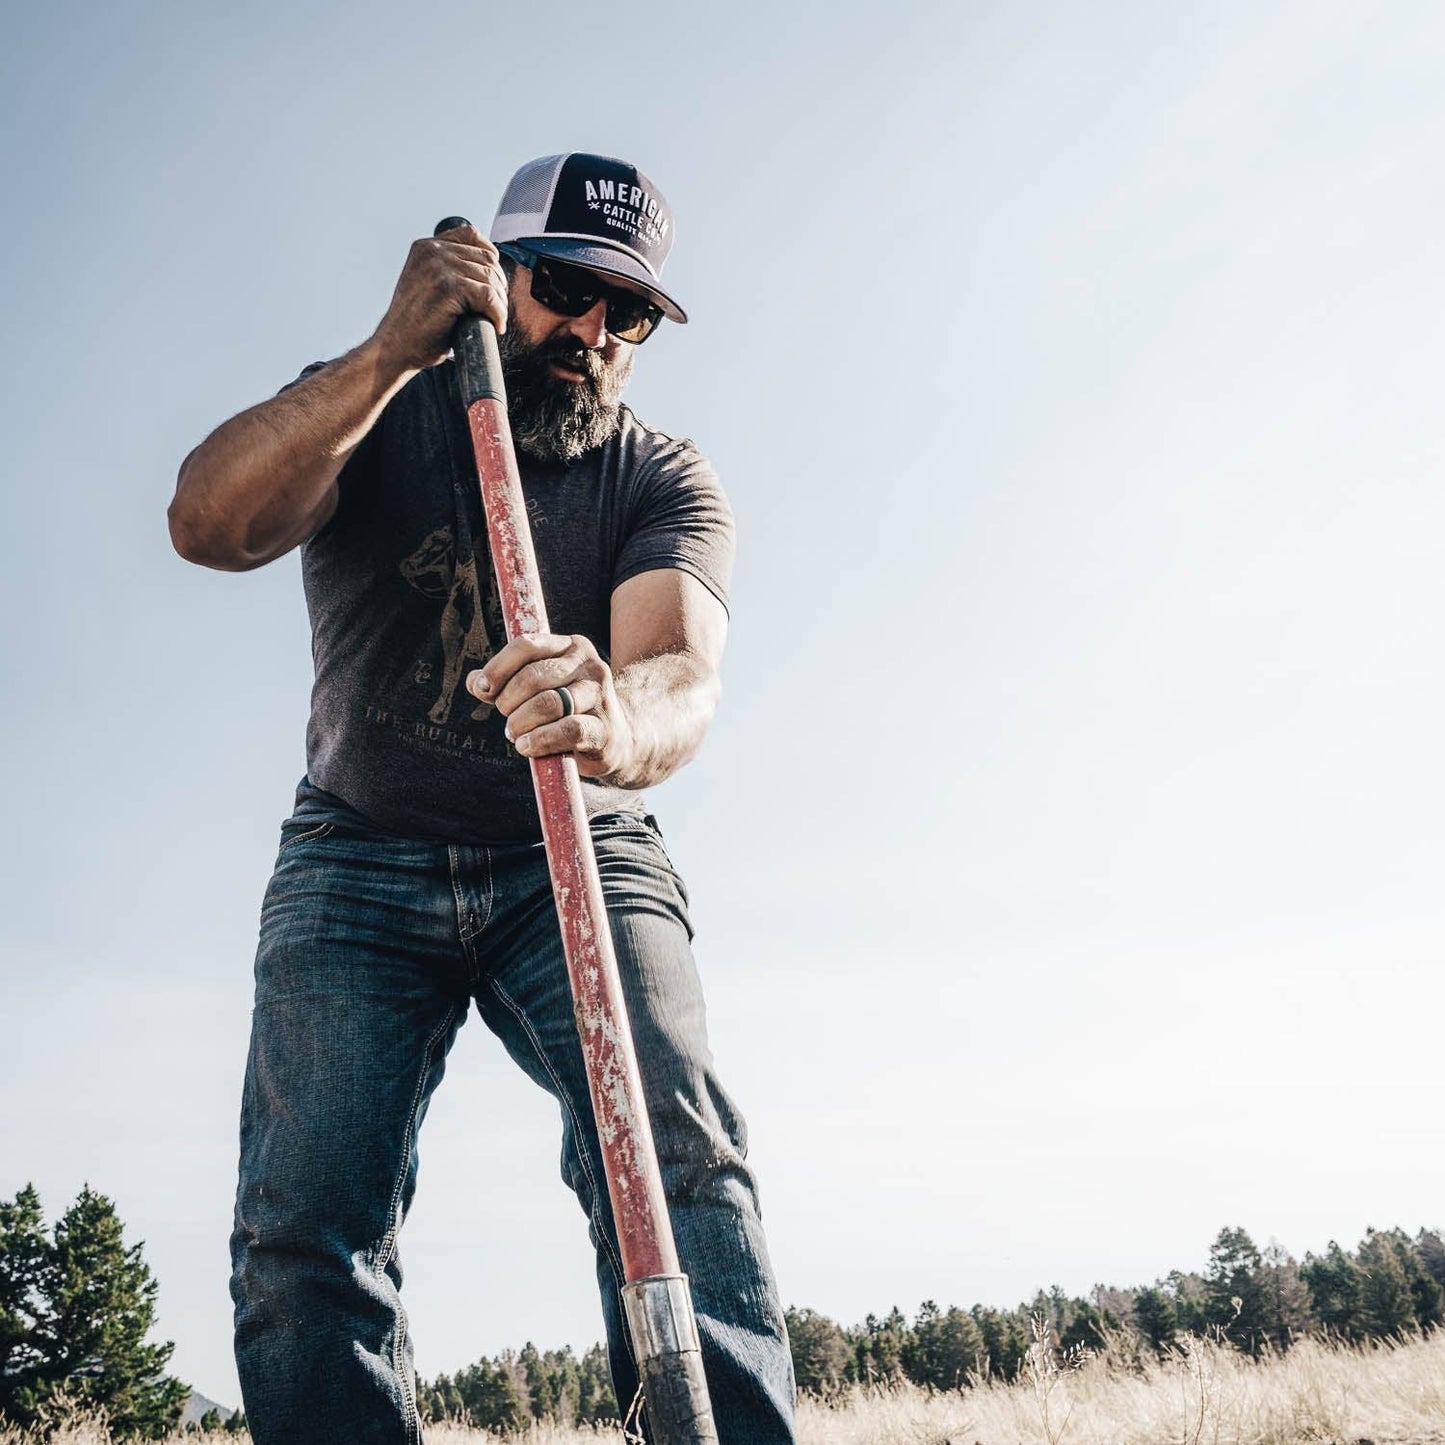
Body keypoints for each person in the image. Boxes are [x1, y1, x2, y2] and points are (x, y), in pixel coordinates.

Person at [169, 152, 796, 1445]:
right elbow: (207, 522)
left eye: (628, 313)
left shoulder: (660, 475)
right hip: (358, 847)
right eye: (566, 288)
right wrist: (385, 352)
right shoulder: (374, 407)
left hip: (576, 844)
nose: (592, 332)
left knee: (676, 1162)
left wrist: (614, 711)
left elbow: (679, 672)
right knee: (306, 1218)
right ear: (498, 278)